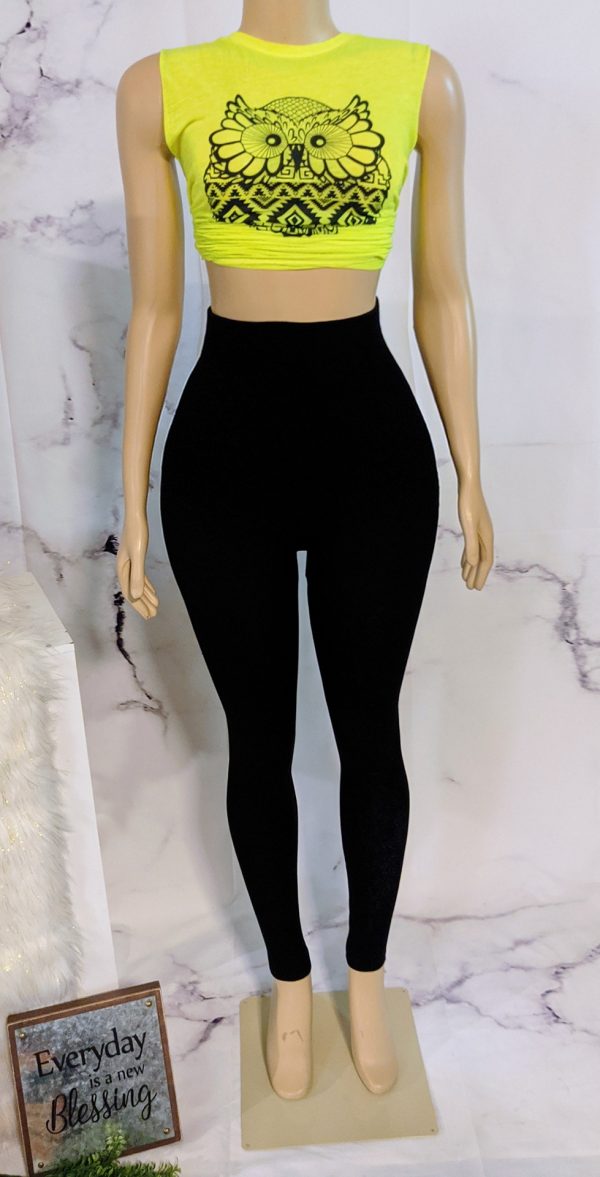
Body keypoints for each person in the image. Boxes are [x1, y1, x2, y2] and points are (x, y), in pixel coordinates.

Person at [115, 0, 494, 1101]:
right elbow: (153, 311)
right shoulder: (159, 85)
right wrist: (131, 497)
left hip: (372, 453)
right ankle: (290, 979)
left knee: (370, 735)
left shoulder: (419, 79)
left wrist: (471, 467)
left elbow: (443, 292)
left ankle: (364, 980)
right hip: (222, 457)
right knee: (259, 741)